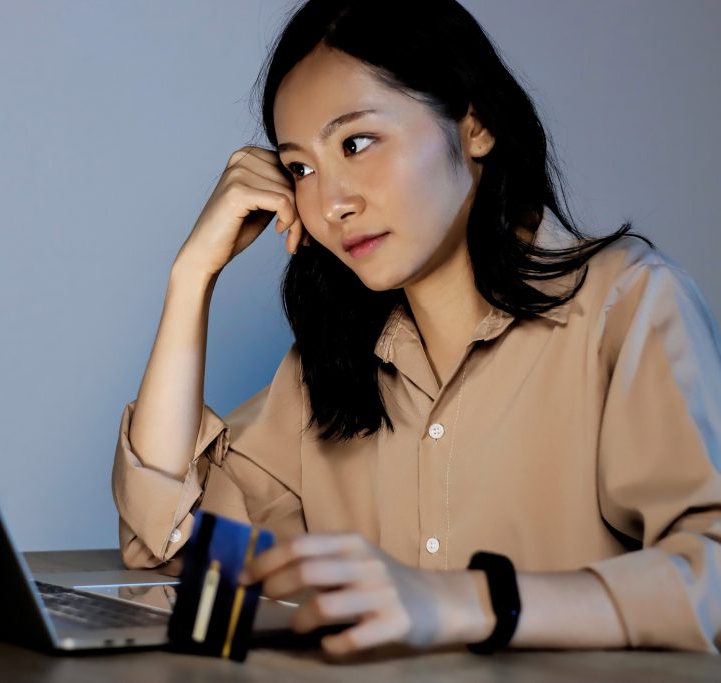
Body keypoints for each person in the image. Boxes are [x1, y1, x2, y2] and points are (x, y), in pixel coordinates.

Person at [111, 0, 721, 656]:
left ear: (475, 124)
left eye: (356, 142)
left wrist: (466, 600)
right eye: (300, 168)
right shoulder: (330, 366)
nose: (332, 202)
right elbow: (169, 542)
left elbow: (710, 579)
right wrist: (191, 278)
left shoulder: (624, 305)